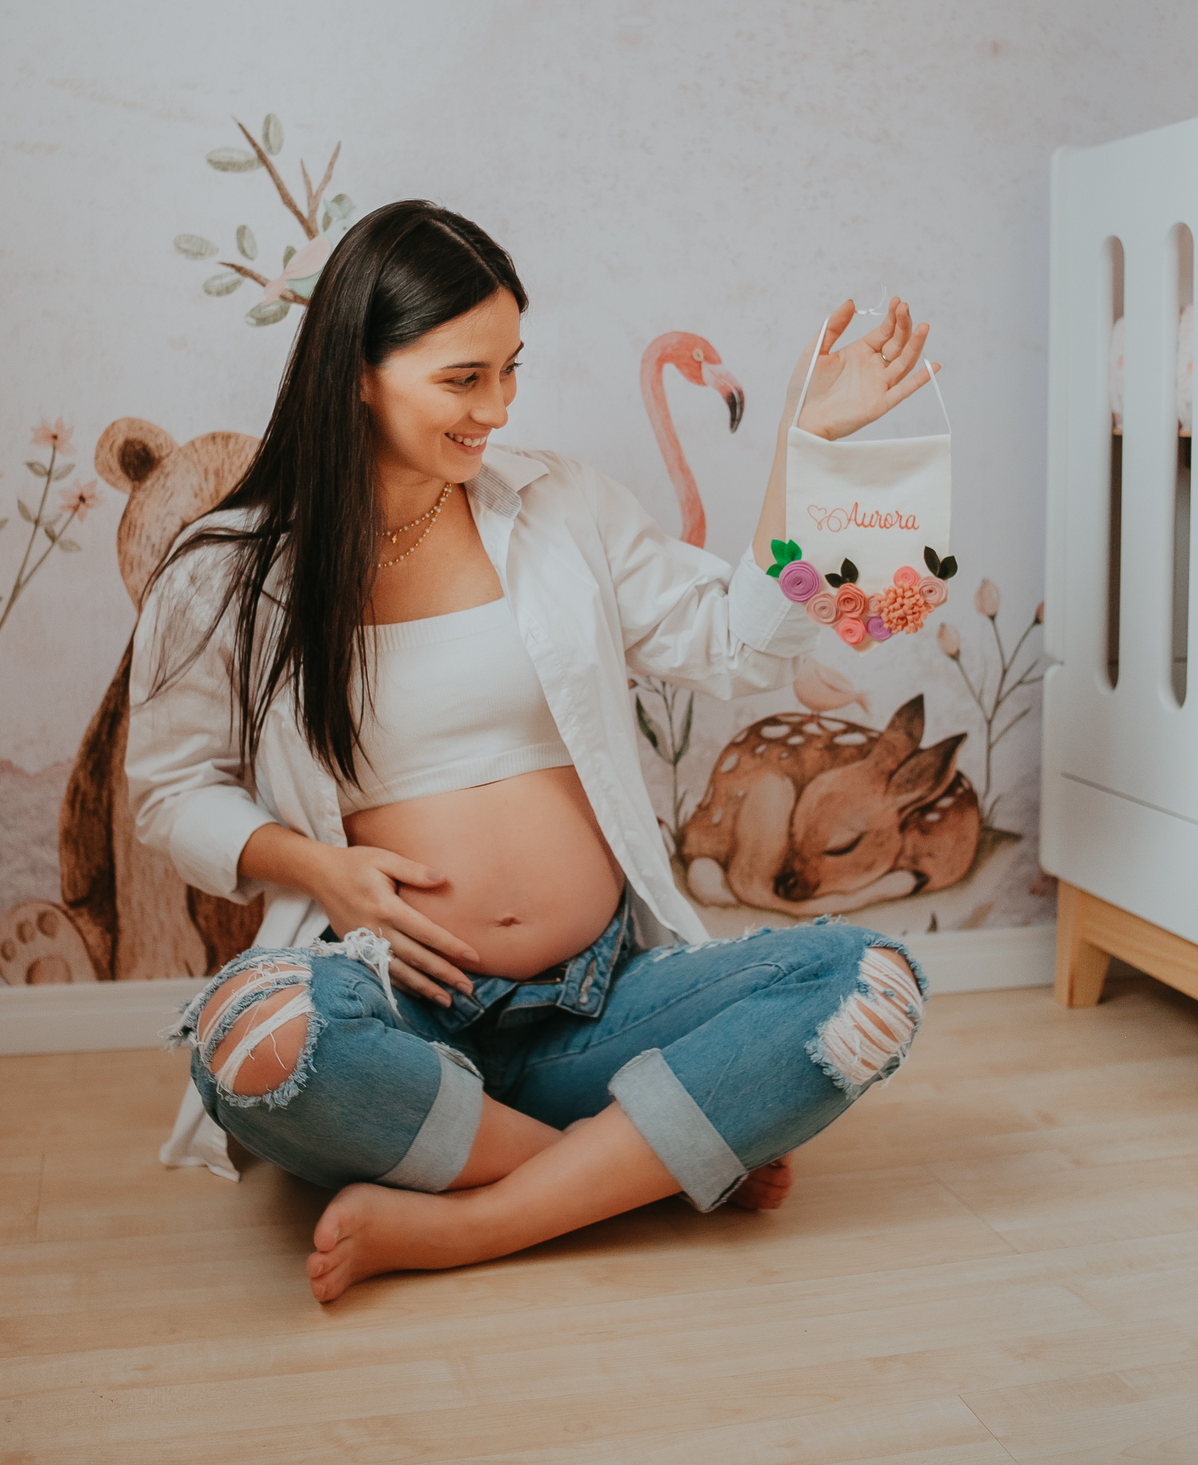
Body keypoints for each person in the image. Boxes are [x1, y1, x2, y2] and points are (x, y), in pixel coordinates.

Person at [127, 201, 936, 1304]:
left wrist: (813, 453)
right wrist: (320, 870)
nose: (499, 409)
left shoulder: (562, 510)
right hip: (397, 1003)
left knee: (864, 985)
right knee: (254, 1039)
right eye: (465, 379)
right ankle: (635, 1162)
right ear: (356, 369)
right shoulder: (224, 570)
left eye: (511, 370)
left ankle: (479, 1216)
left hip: (604, 1002)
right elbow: (170, 797)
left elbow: (738, 642)